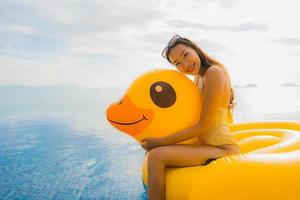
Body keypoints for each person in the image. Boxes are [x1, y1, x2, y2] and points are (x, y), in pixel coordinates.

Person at [141, 35, 240, 200]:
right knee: (154, 152)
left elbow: (204, 126)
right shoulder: (198, 77)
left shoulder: (213, 72)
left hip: (224, 149)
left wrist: (161, 142)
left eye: (185, 55)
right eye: (177, 63)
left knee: (156, 156)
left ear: (194, 48)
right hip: (208, 146)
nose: (185, 64)